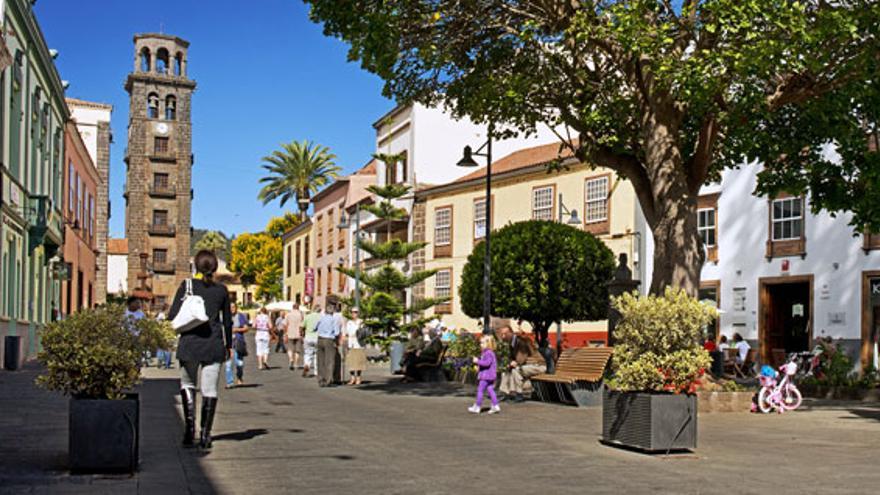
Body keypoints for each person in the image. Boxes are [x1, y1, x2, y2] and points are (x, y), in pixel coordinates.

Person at [168, 250, 232, 450]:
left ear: (195, 266)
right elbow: (227, 322)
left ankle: (189, 432)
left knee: (187, 384)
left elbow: (172, 315)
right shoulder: (222, 291)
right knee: (210, 389)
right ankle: (205, 435)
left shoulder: (187, 286)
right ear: (215, 268)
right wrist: (228, 345)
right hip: (213, 345)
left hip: (189, 344)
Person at [498, 324, 545, 403]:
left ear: (511, 333)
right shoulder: (512, 343)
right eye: (502, 334)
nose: (503, 336)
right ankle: (505, 393)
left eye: (504, 334)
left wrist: (513, 363)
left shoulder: (521, 341)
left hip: (538, 365)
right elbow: (511, 358)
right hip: (527, 366)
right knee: (506, 370)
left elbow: (520, 360)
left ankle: (519, 395)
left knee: (516, 370)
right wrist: (509, 364)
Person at [469, 335, 500, 415]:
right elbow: (486, 364)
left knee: (480, 390)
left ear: (488, 344)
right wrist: (479, 367)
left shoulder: (488, 353)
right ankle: (495, 405)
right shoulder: (487, 353)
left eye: (482, 343)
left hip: (486, 376)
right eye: (480, 343)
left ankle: (477, 406)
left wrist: (477, 361)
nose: (480, 344)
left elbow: (487, 363)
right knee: (490, 389)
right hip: (490, 375)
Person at [315, 303, 341, 387]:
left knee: (320, 360)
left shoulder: (321, 318)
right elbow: (337, 332)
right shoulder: (333, 320)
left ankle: (320, 379)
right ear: (332, 311)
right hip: (329, 339)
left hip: (320, 339)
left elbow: (315, 328)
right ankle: (328, 380)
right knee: (329, 360)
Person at [225, 303, 249, 388]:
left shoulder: (240, 316)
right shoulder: (225, 317)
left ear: (236, 307)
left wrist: (237, 329)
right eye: (230, 307)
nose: (232, 309)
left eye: (233, 307)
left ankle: (239, 377)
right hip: (228, 342)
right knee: (228, 363)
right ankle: (229, 382)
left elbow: (246, 328)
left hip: (238, 341)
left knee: (239, 363)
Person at [344, 308, 366, 385]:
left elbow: (363, 333)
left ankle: (358, 377)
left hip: (359, 344)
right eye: (352, 312)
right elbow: (347, 332)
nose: (354, 314)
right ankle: (352, 377)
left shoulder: (361, 322)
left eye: (356, 312)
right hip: (351, 343)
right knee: (351, 362)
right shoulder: (349, 322)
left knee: (359, 362)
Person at [303, 306, 322, 377]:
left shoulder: (307, 316)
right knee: (317, 355)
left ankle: (307, 364)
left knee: (307, 353)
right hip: (317, 338)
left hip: (308, 337)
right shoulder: (321, 317)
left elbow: (302, 326)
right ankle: (316, 371)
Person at [285, 303, 305, 370]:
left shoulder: (288, 314)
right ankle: (296, 363)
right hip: (298, 334)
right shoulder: (301, 314)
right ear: (298, 307)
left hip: (290, 333)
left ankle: (291, 359)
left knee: (290, 348)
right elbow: (303, 324)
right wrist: (303, 334)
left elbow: (285, 324)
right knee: (297, 350)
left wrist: (285, 333)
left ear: (292, 307)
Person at [155, 304, 174, 369]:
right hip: (166, 334)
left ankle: (162, 361)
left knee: (162, 348)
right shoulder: (163, 315)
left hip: (163, 333)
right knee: (166, 349)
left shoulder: (160, 315)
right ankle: (166, 363)